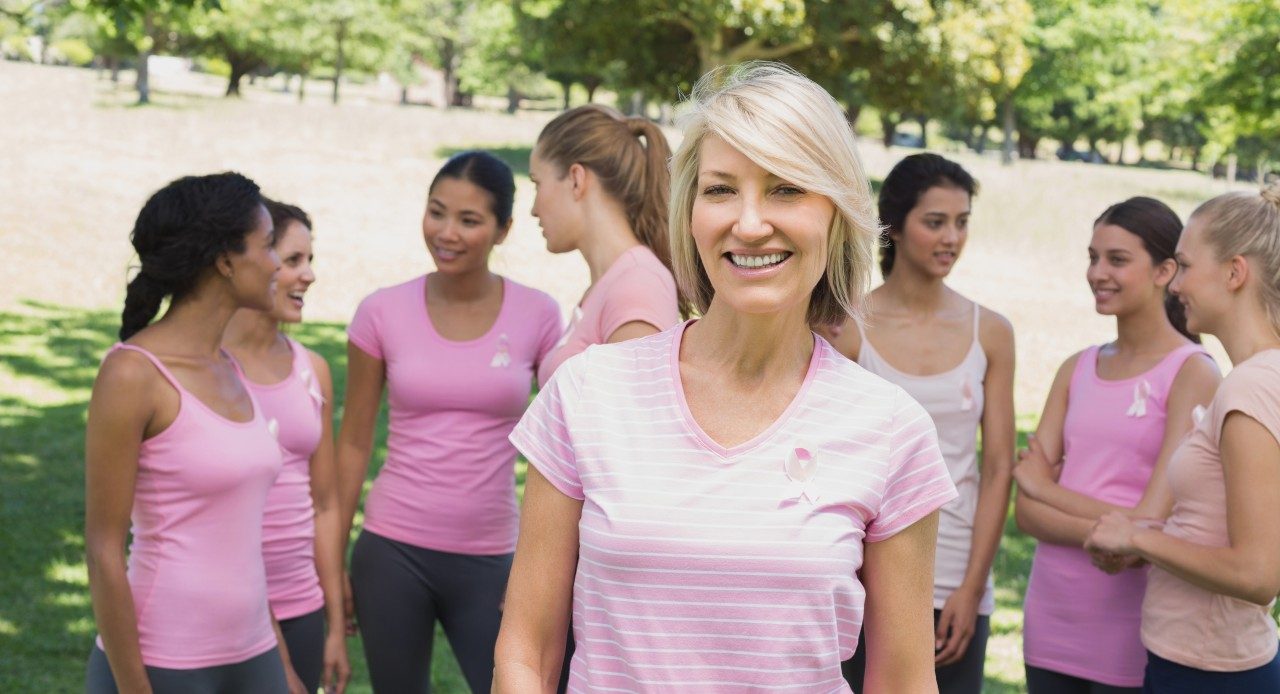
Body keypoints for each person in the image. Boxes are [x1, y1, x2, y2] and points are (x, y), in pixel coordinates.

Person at [494, 62, 958, 693]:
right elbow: (527, 650)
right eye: (720, 190)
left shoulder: (892, 430)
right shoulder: (587, 393)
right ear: (690, 213)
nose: (749, 222)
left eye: (786, 188)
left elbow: (904, 680)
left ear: (838, 211)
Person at [336, 151, 563, 693]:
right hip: (391, 552)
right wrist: (333, 562)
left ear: (504, 229)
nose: (447, 232)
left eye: (469, 220)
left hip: (492, 559)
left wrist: (546, 568)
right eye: (436, 213)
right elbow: (352, 445)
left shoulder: (538, 314)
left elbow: (562, 447)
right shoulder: (380, 312)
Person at [84, 172, 303, 693]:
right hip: (165, 660)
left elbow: (241, 537)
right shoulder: (133, 374)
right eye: (269, 245)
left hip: (255, 654)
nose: (277, 263)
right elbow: (103, 548)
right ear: (226, 261)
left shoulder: (229, 366)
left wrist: (280, 657)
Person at [825, 153, 1015, 694]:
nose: (951, 237)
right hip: (861, 576)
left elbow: (999, 468)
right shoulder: (846, 328)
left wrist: (971, 589)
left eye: (962, 222)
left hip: (957, 574)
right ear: (895, 226)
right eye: (935, 222)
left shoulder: (992, 332)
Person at [1014, 197, 1221, 693]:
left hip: (1129, 624)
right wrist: (1119, 528)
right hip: (1050, 616)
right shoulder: (1076, 367)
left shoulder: (1192, 372)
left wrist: (1047, 488)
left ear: (1164, 270)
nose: (1097, 272)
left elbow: (1149, 527)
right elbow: (1027, 513)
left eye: (1117, 259)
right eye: (1092, 256)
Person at [1086, 183, 1280, 692]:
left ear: (1235, 273)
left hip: (1210, 672)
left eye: (1186, 267)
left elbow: (1258, 573)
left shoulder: (1250, 386)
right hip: (1196, 662)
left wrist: (1137, 537)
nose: (1175, 285)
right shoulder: (1261, 376)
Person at [223, 199, 350, 694]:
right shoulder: (205, 372)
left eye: (310, 260)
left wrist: (335, 624)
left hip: (302, 605)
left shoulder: (312, 370)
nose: (309, 276)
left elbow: (326, 503)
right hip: (228, 610)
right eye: (293, 260)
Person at [529, 103, 682, 387]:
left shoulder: (637, 285)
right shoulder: (612, 282)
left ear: (576, 179)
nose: (534, 209)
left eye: (537, 184)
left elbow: (635, 422)